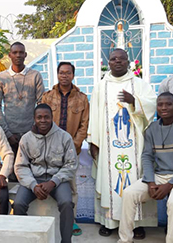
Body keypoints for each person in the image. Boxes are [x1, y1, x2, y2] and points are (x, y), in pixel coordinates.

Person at [88, 49, 156, 237]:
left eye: (121, 59)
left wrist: (134, 100)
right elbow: (94, 114)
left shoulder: (140, 84)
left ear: (129, 62)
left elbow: (153, 104)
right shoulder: (100, 87)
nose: (117, 62)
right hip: (108, 143)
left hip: (134, 143)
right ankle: (109, 222)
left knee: (135, 180)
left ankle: (136, 223)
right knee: (109, 181)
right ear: (108, 62)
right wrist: (93, 139)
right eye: (113, 59)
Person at [118, 92, 173, 243]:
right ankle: (125, 240)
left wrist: (169, 185)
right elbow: (147, 157)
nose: (164, 108)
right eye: (160, 104)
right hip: (158, 175)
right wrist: (150, 182)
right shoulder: (152, 129)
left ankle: (172, 241)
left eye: (168, 104)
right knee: (129, 193)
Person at [13, 104, 78, 243]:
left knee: (67, 203)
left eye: (46, 117)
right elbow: (20, 166)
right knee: (18, 204)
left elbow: (71, 165)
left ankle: (66, 241)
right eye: (39, 117)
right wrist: (33, 185)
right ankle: (25, 239)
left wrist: (53, 181)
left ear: (52, 118)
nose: (43, 120)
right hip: (33, 179)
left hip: (58, 180)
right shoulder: (26, 139)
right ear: (34, 119)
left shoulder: (64, 137)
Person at [41, 61, 89, 236]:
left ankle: (72, 221)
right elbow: (41, 121)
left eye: (68, 73)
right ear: (57, 74)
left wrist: (74, 145)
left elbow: (84, 124)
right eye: (61, 73)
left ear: (73, 75)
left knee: (71, 187)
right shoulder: (47, 97)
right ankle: (50, 217)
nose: (64, 76)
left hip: (71, 150)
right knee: (49, 180)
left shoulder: (82, 98)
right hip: (50, 149)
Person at [0, 42, 45, 182]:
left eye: (21, 52)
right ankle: (14, 204)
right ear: (9, 55)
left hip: (32, 133)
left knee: (33, 171)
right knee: (12, 172)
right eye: (15, 52)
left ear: (25, 55)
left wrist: (35, 128)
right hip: (10, 135)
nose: (18, 55)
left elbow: (41, 103)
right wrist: (7, 132)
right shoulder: (1, 78)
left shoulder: (35, 76)